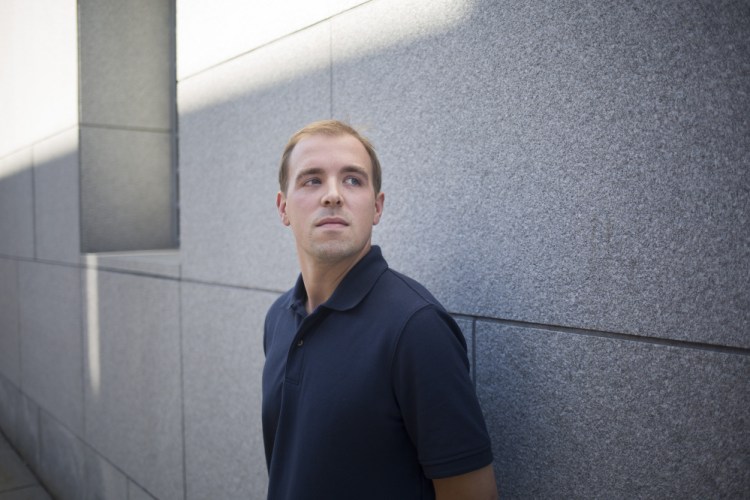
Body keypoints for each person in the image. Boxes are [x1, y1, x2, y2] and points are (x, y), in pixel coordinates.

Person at [262, 120, 498, 499]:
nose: (333, 195)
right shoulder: (278, 318)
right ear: (283, 207)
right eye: (312, 180)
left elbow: (472, 494)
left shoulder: (415, 327)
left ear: (377, 206)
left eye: (353, 180)